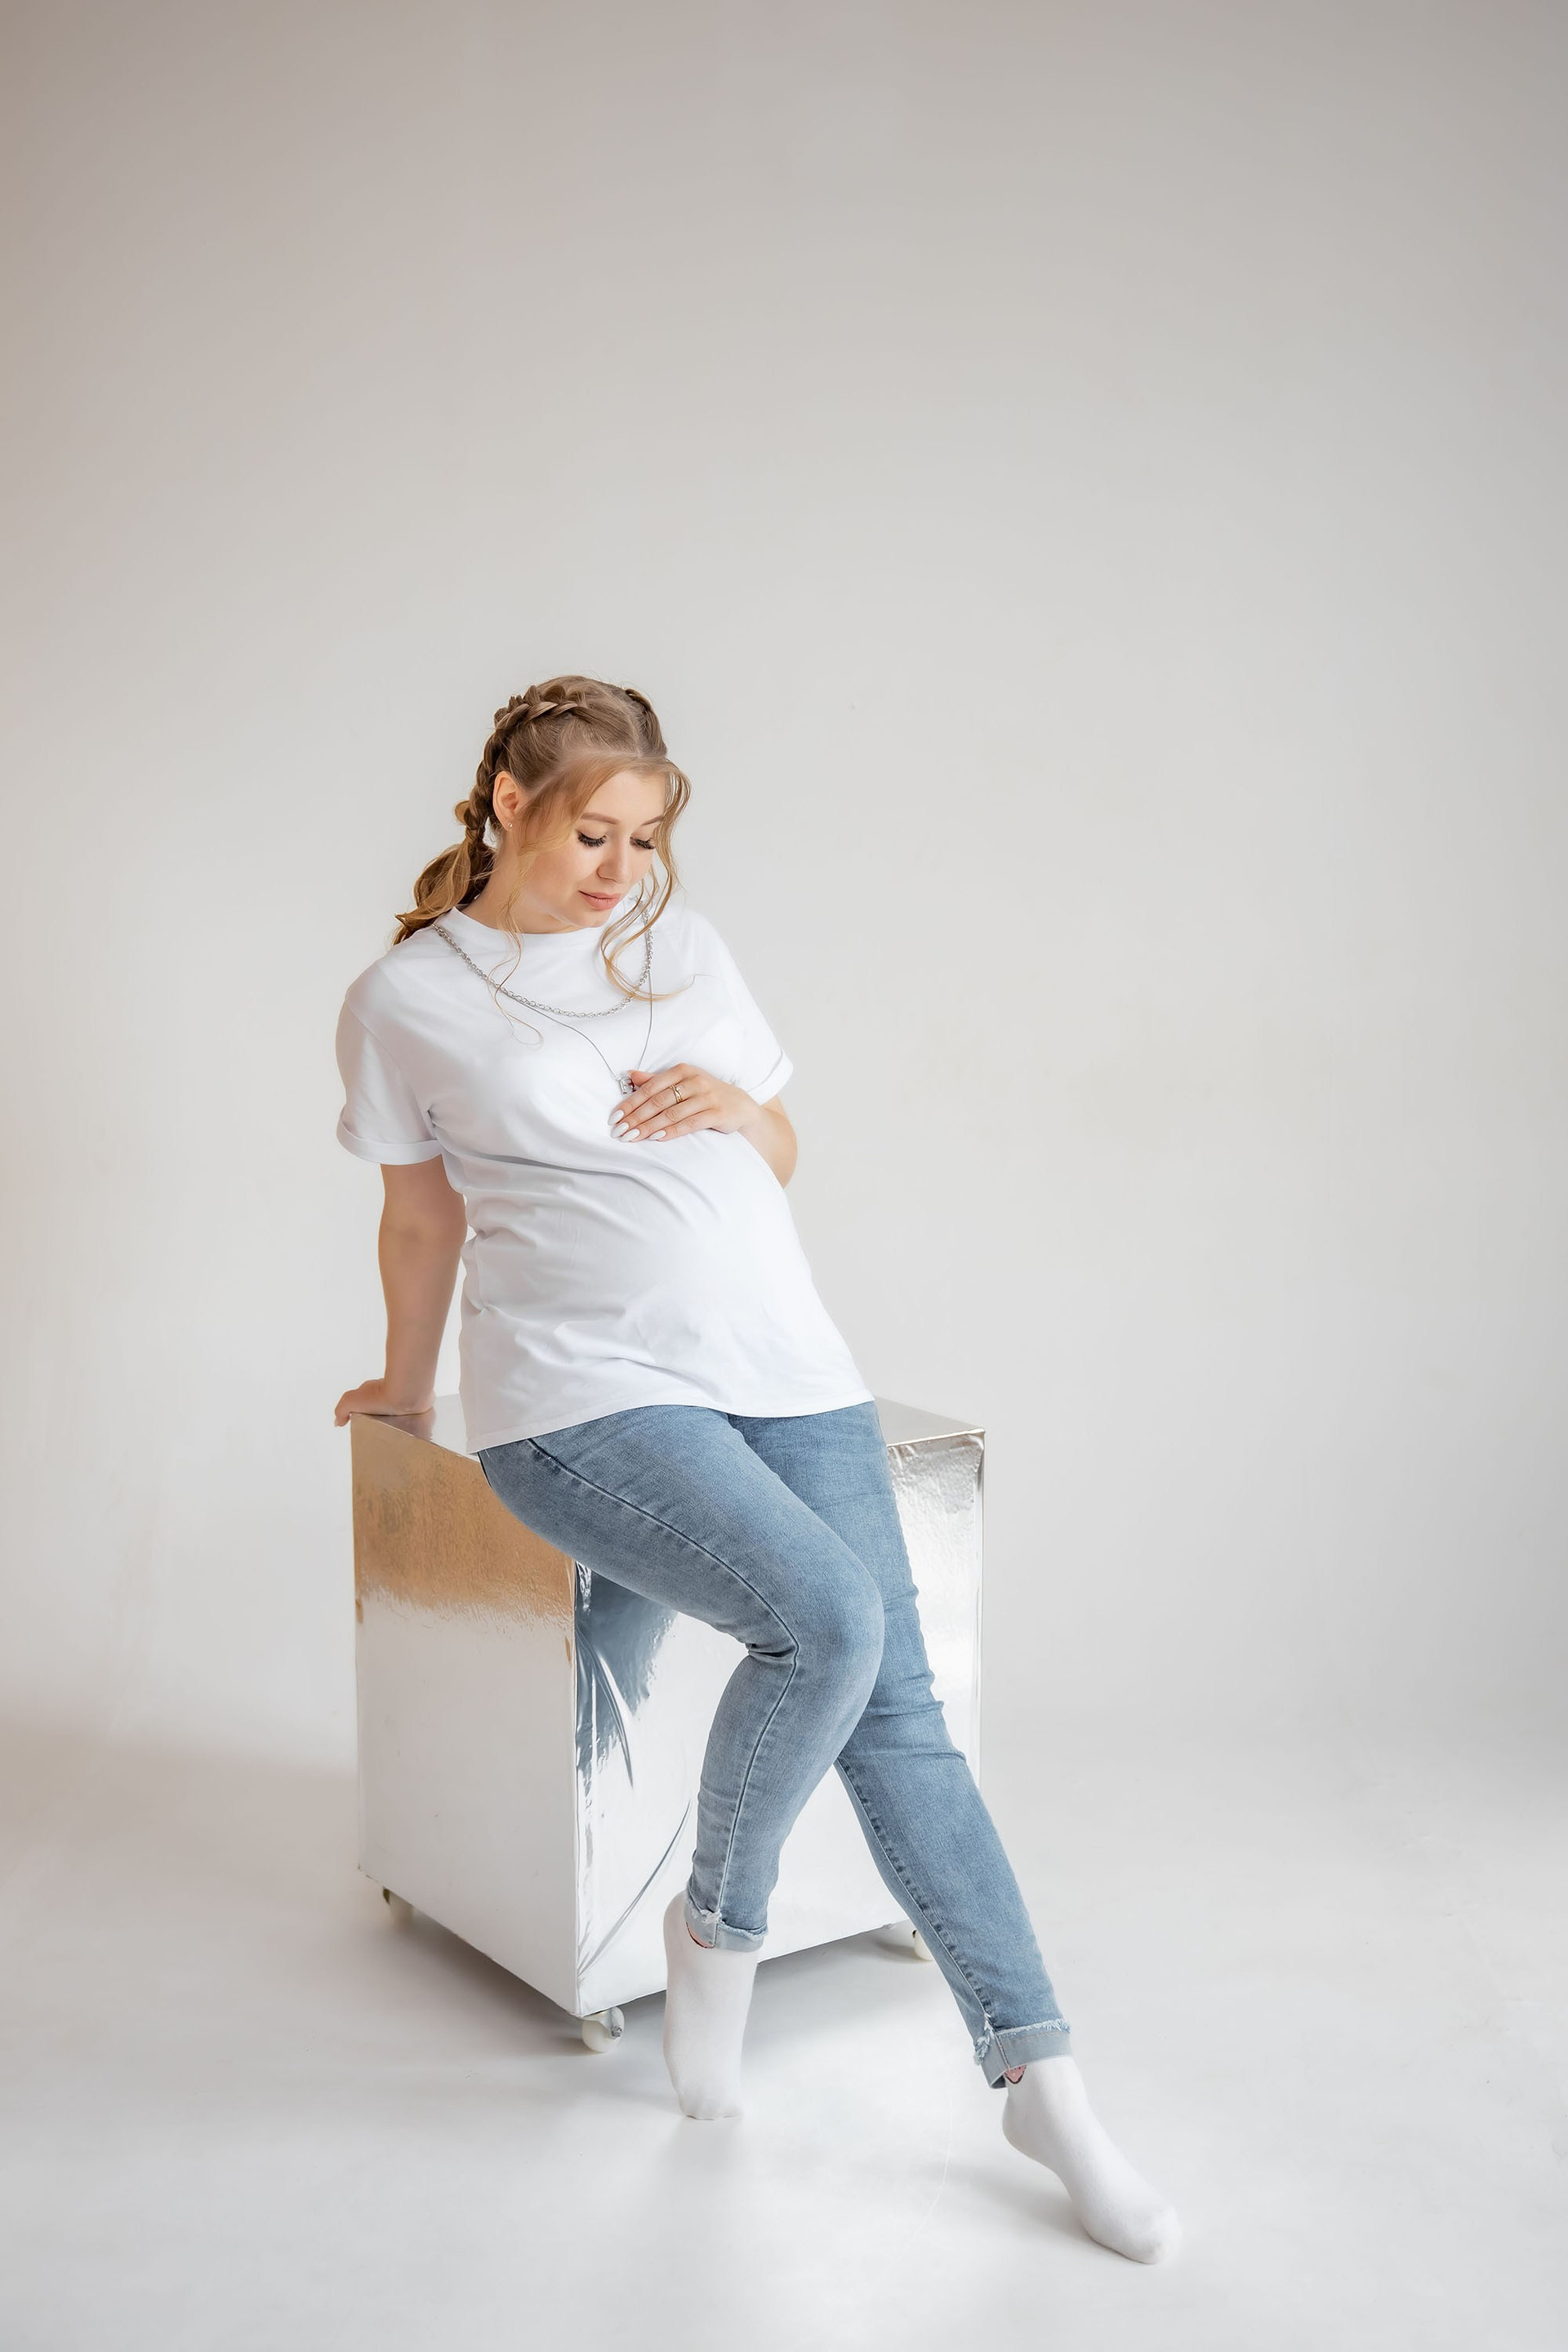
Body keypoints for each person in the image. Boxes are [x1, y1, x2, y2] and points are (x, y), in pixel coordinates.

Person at [332, 675, 1180, 2264]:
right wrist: (398, 1383)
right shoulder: (408, 998)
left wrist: (740, 1111)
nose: (623, 871)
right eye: (594, 833)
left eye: (647, 839)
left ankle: (1040, 2080)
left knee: (902, 1713)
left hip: (788, 1363)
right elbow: (421, 1217)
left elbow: (772, 1151)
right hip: (580, 1393)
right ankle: (719, 1930)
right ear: (509, 804)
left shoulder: (685, 952)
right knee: (830, 1622)